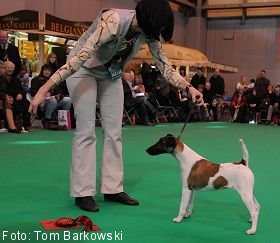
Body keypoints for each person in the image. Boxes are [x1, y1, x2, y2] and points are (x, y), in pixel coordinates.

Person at [29, 0, 202, 212]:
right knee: (86, 131)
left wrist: (189, 87)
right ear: (151, 20)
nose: (159, 34)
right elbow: (77, 59)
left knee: (114, 132)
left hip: (111, 74)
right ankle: (83, 192)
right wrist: (43, 89)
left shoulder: (149, 33)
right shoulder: (113, 20)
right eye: (160, 28)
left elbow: (164, 65)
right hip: (83, 69)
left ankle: (112, 188)